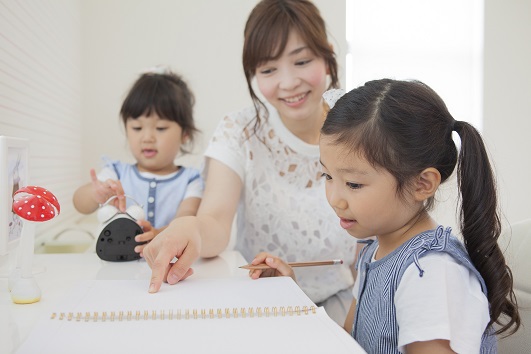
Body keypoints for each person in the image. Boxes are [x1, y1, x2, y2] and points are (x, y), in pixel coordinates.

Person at [248, 79, 521, 353]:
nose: (333, 198)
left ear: (422, 184)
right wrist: (290, 295)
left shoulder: (429, 273)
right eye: (327, 176)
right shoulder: (375, 251)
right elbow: (346, 344)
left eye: (353, 184)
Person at [143, 0, 359, 325]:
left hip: (346, 304)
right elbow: (215, 218)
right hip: (262, 303)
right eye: (268, 70)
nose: (287, 83)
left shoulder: (361, 128)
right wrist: (192, 229)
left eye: (301, 61)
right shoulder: (239, 130)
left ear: (328, 56)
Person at [73, 67, 203, 255]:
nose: (147, 137)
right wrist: (95, 194)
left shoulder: (191, 180)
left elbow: (186, 218)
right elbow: (80, 204)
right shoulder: (116, 173)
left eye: (160, 128)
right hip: (116, 268)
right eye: (137, 127)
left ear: (185, 134)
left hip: (169, 265)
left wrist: (158, 235)